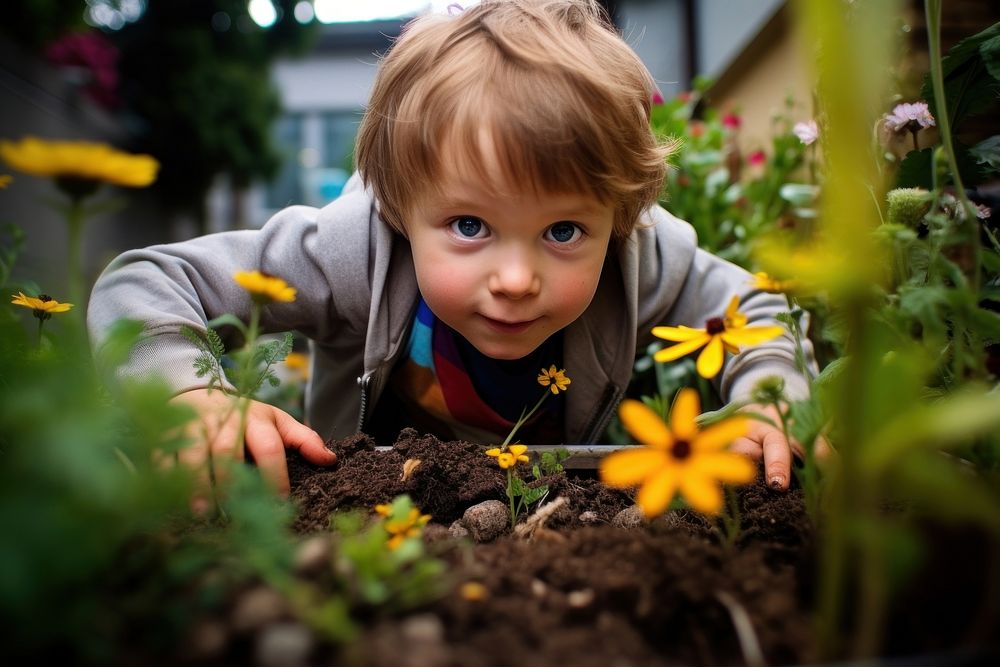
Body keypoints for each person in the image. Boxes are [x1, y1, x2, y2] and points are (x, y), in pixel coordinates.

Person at [87, 0, 820, 502]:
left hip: (549, 514)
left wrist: (769, 402)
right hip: (362, 517)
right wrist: (190, 395)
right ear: (404, 207)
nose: (515, 279)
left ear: (619, 218)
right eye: (470, 226)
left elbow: (750, 302)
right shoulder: (352, 249)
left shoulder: (639, 258)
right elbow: (149, 277)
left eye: (563, 232)